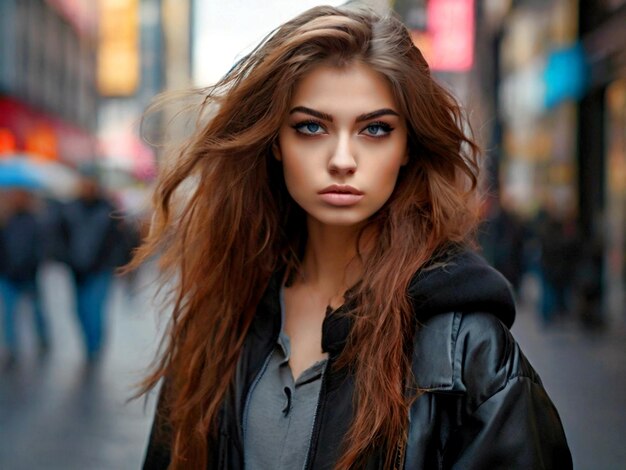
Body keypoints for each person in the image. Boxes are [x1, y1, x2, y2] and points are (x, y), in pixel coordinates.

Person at [135, 5, 572, 469]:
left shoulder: (470, 352)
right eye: (311, 126)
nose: (342, 159)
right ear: (276, 142)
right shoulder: (220, 316)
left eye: (375, 129)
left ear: (408, 147)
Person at [57, 173, 123, 362]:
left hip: (100, 268)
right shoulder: (68, 209)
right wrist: (66, 258)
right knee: (79, 309)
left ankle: (94, 347)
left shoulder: (108, 209)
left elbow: (117, 240)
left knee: (94, 308)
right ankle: (88, 343)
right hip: (76, 268)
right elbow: (59, 236)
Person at [0, 189, 49, 367]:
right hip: (7, 274)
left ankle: (43, 338)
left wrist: (32, 266)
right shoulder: (5, 220)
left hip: (28, 274)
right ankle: (11, 348)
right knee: (9, 314)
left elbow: (41, 248)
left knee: (36, 311)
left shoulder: (35, 220)